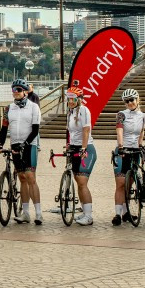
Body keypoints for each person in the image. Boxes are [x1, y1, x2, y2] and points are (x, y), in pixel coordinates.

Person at [1, 78, 43, 225]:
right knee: (22, 179)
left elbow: (36, 130)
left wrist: (25, 144)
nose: (16, 93)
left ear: (25, 92)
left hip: (29, 144)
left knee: (31, 177)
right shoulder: (8, 108)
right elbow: (4, 128)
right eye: (14, 90)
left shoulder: (33, 107)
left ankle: (38, 213)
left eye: (18, 90)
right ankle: (25, 213)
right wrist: (0, 144)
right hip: (15, 144)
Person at [112, 88, 145, 226]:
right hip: (123, 149)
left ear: (137, 99)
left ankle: (126, 212)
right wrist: (121, 146)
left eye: (131, 100)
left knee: (129, 183)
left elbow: (141, 132)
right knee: (120, 183)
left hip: (135, 151)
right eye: (126, 101)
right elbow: (119, 130)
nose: (129, 103)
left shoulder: (143, 116)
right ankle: (117, 214)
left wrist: (141, 146)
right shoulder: (121, 114)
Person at [63, 87, 96, 225]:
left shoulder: (84, 110)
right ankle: (84, 211)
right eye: (69, 99)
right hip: (75, 147)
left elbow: (86, 130)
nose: (71, 101)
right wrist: (70, 144)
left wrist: (83, 148)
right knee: (77, 180)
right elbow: (72, 132)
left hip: (87, 148)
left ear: (79, 100)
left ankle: (89, 216)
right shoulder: (70, 113)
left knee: (82, 182)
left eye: (73, 99)